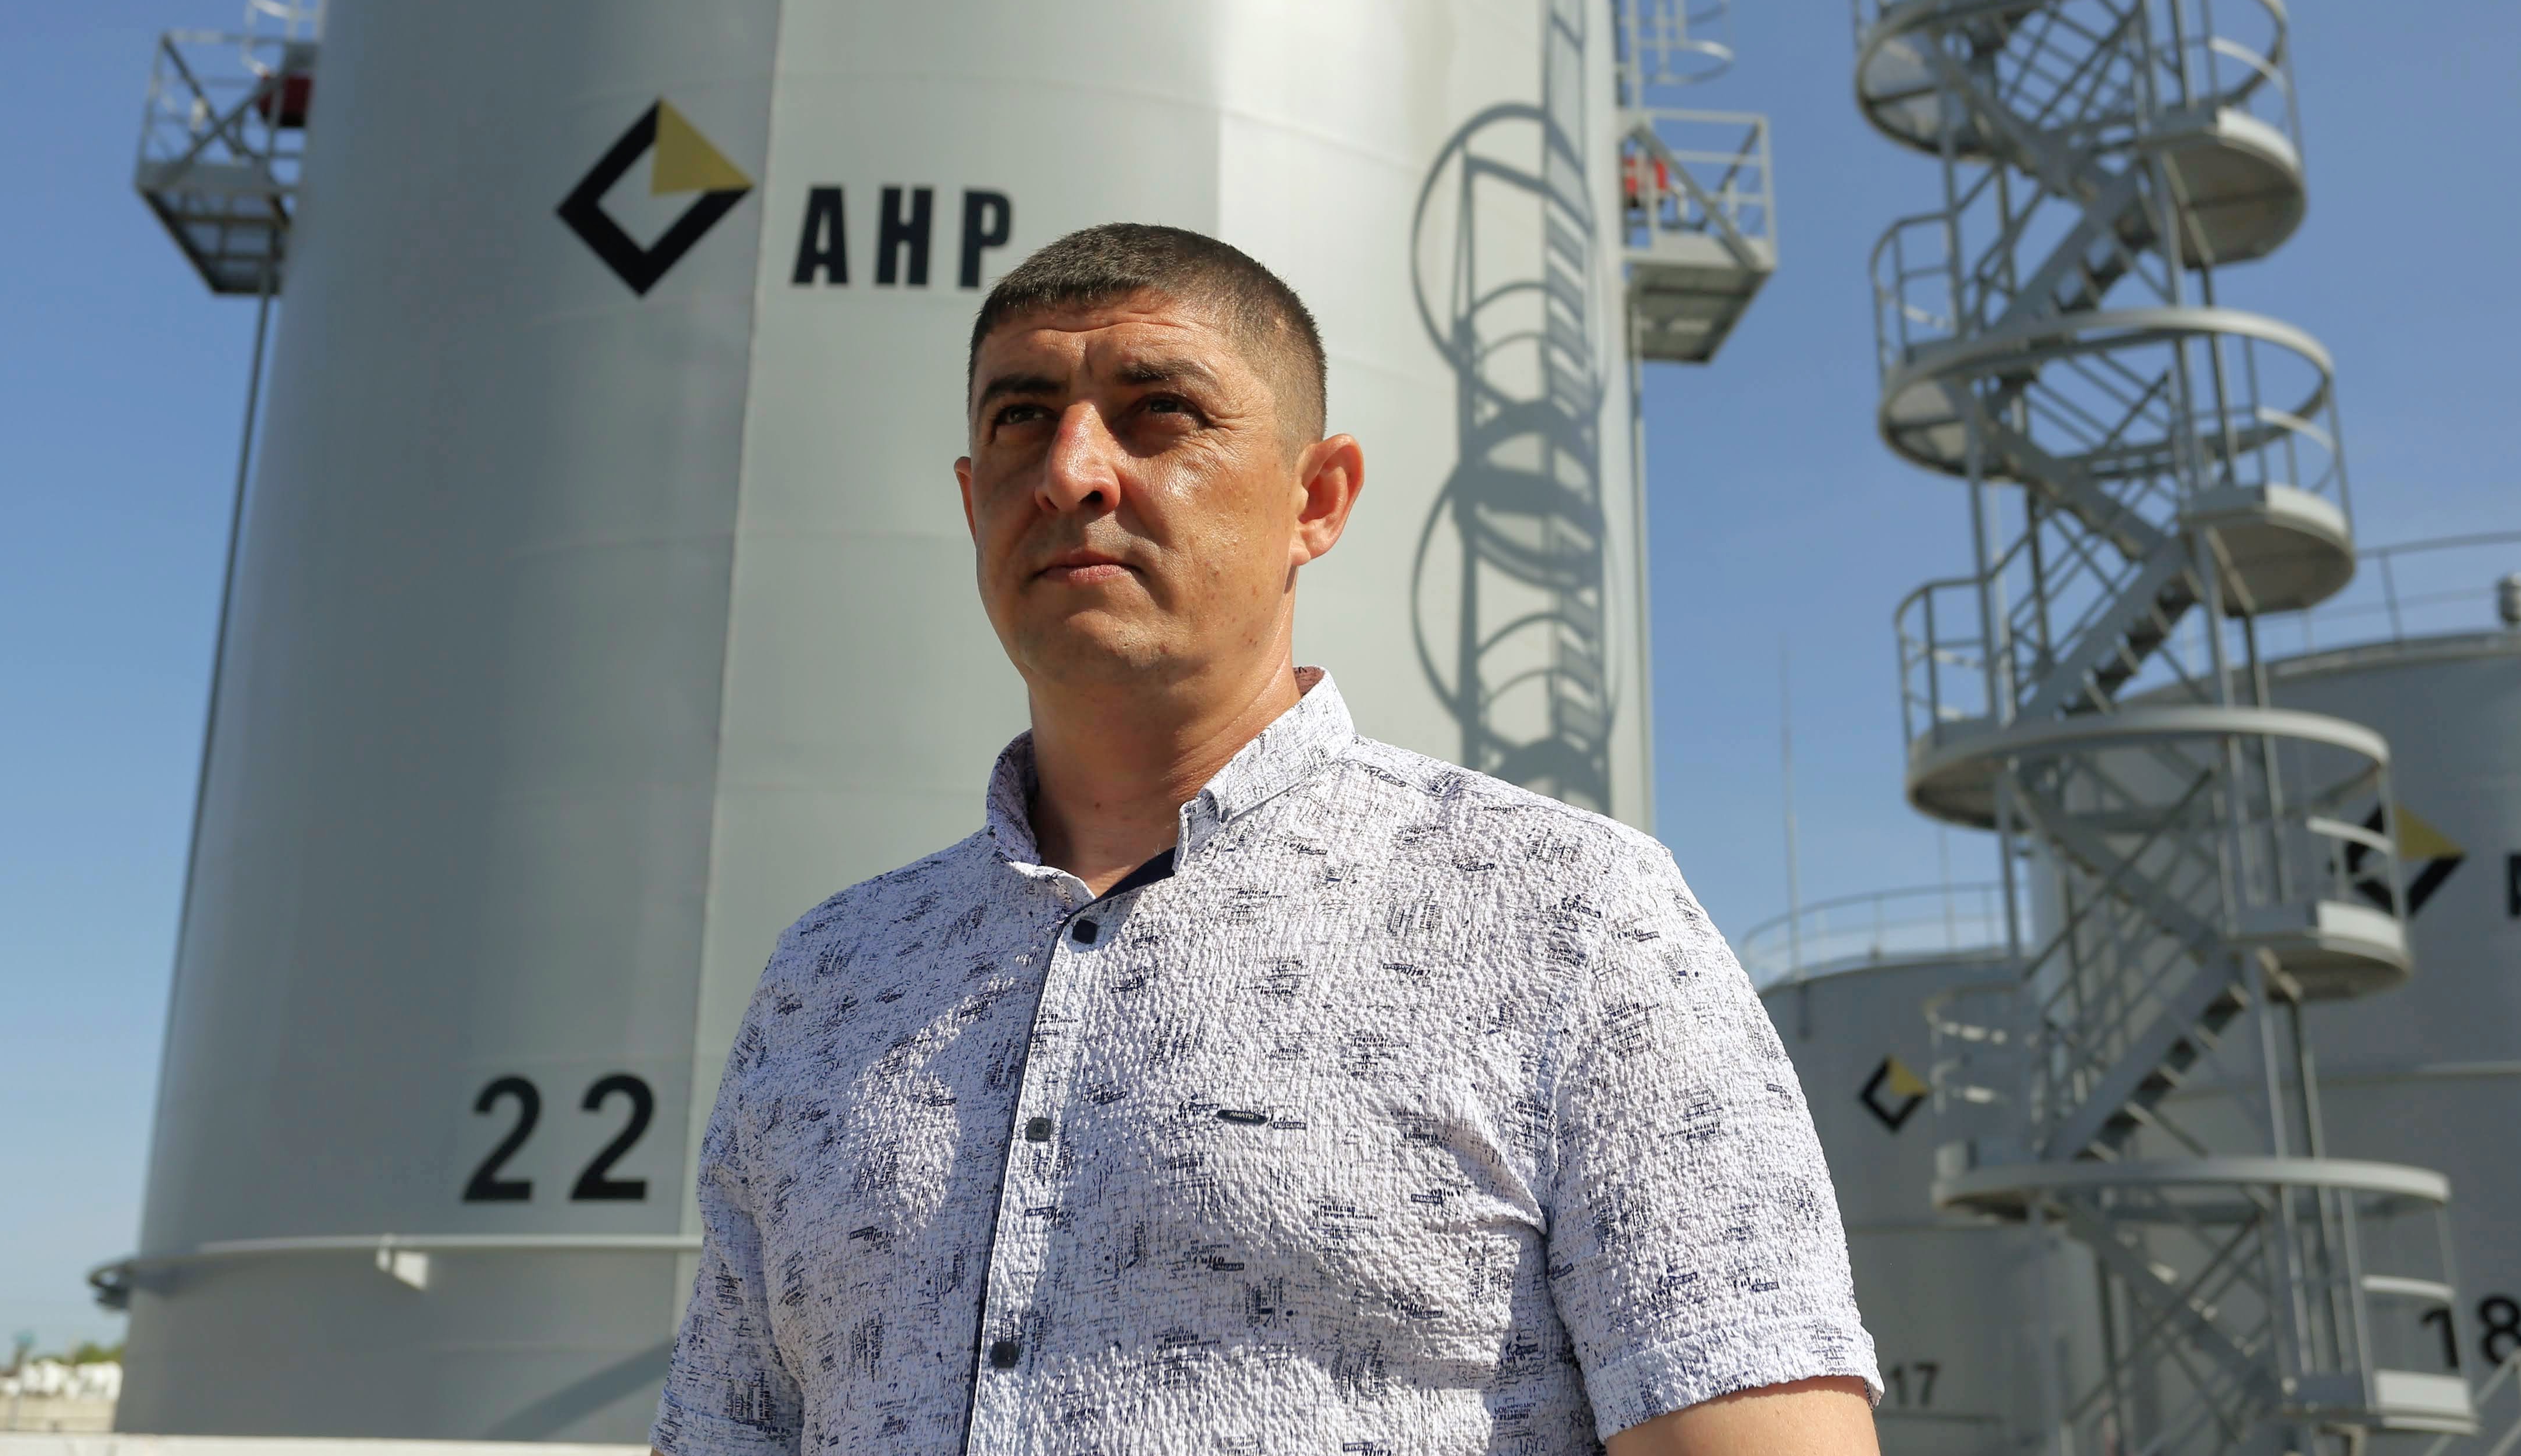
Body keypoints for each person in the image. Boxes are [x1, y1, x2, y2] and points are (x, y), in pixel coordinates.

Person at [652, 225, 1880, 1455]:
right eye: (1023, 416)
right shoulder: (831, 976)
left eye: (1160, 411)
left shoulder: (1569, 917)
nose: (1071, 472)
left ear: (1316, 497)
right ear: (974, 501)